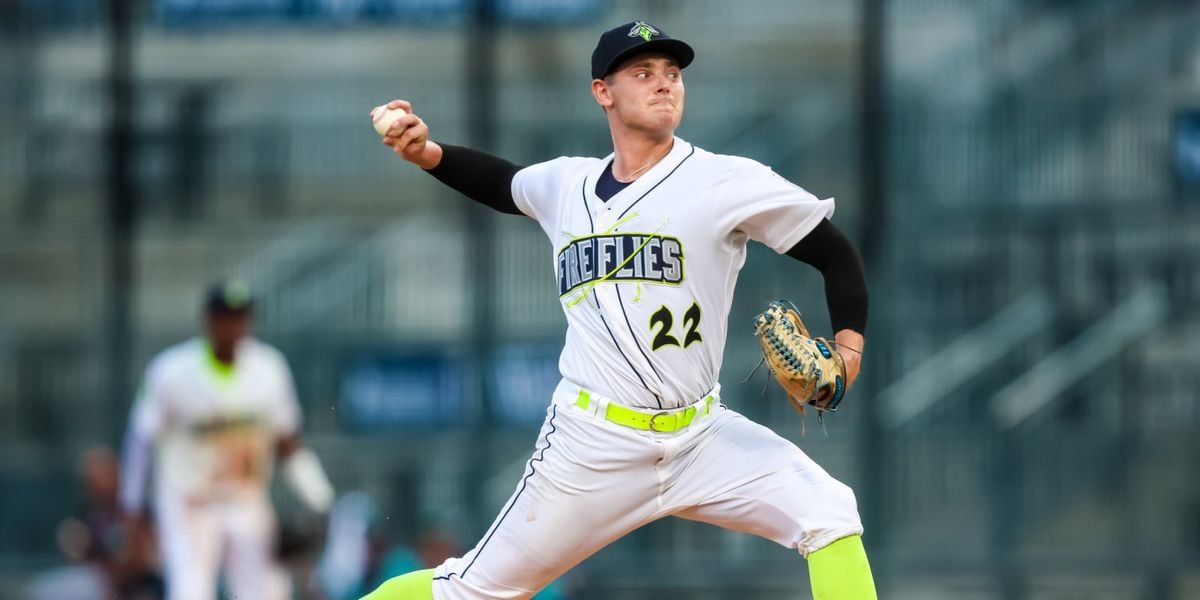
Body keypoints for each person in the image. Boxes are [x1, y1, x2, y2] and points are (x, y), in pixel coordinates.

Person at [365, 20, 875, 600]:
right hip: (592, 445)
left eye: (673, 74)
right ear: (602, 91)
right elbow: (503, 182)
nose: (665, 85)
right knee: (472, 589)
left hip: (701, 437)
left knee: (829, 512)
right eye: (643, 73)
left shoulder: (724, 180)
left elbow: (835, 252)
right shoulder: (566, 185)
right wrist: (427, 153)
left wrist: (849, 348)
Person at [119, 281, 336, 600]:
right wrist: (132, 508)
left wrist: (319, 497)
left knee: (267, 593)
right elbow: (140, 442)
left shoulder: (268, 368)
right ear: (209, 320)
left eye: (240, 316)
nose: (233, 324)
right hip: (189, 501)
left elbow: (288, 441)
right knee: (190, 592)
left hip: (246, 498)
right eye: (225, 316)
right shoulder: (171, 371)